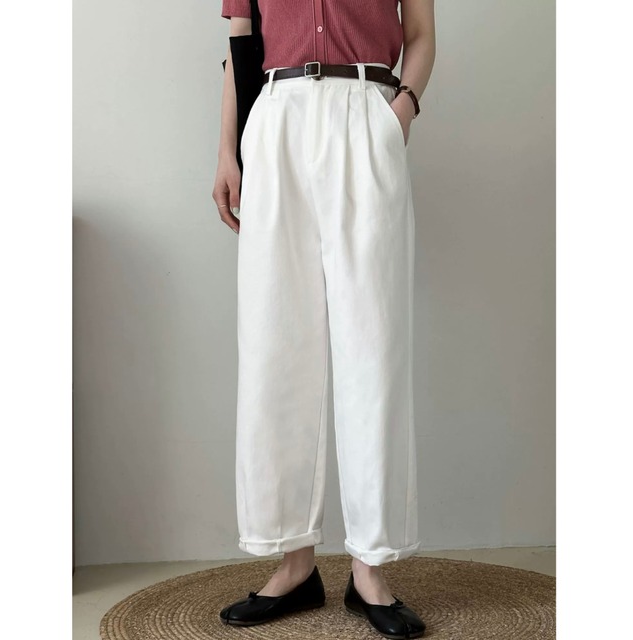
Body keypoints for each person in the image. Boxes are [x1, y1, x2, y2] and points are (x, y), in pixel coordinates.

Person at [213, 1, 436, 638]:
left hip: (366, 112)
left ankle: (370, 568)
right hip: (276, 118)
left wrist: (401, 110)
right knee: (274, 343)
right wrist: (228, 149)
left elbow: (421, 35)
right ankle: (293, 563)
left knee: (374, 344)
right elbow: (242, 48)